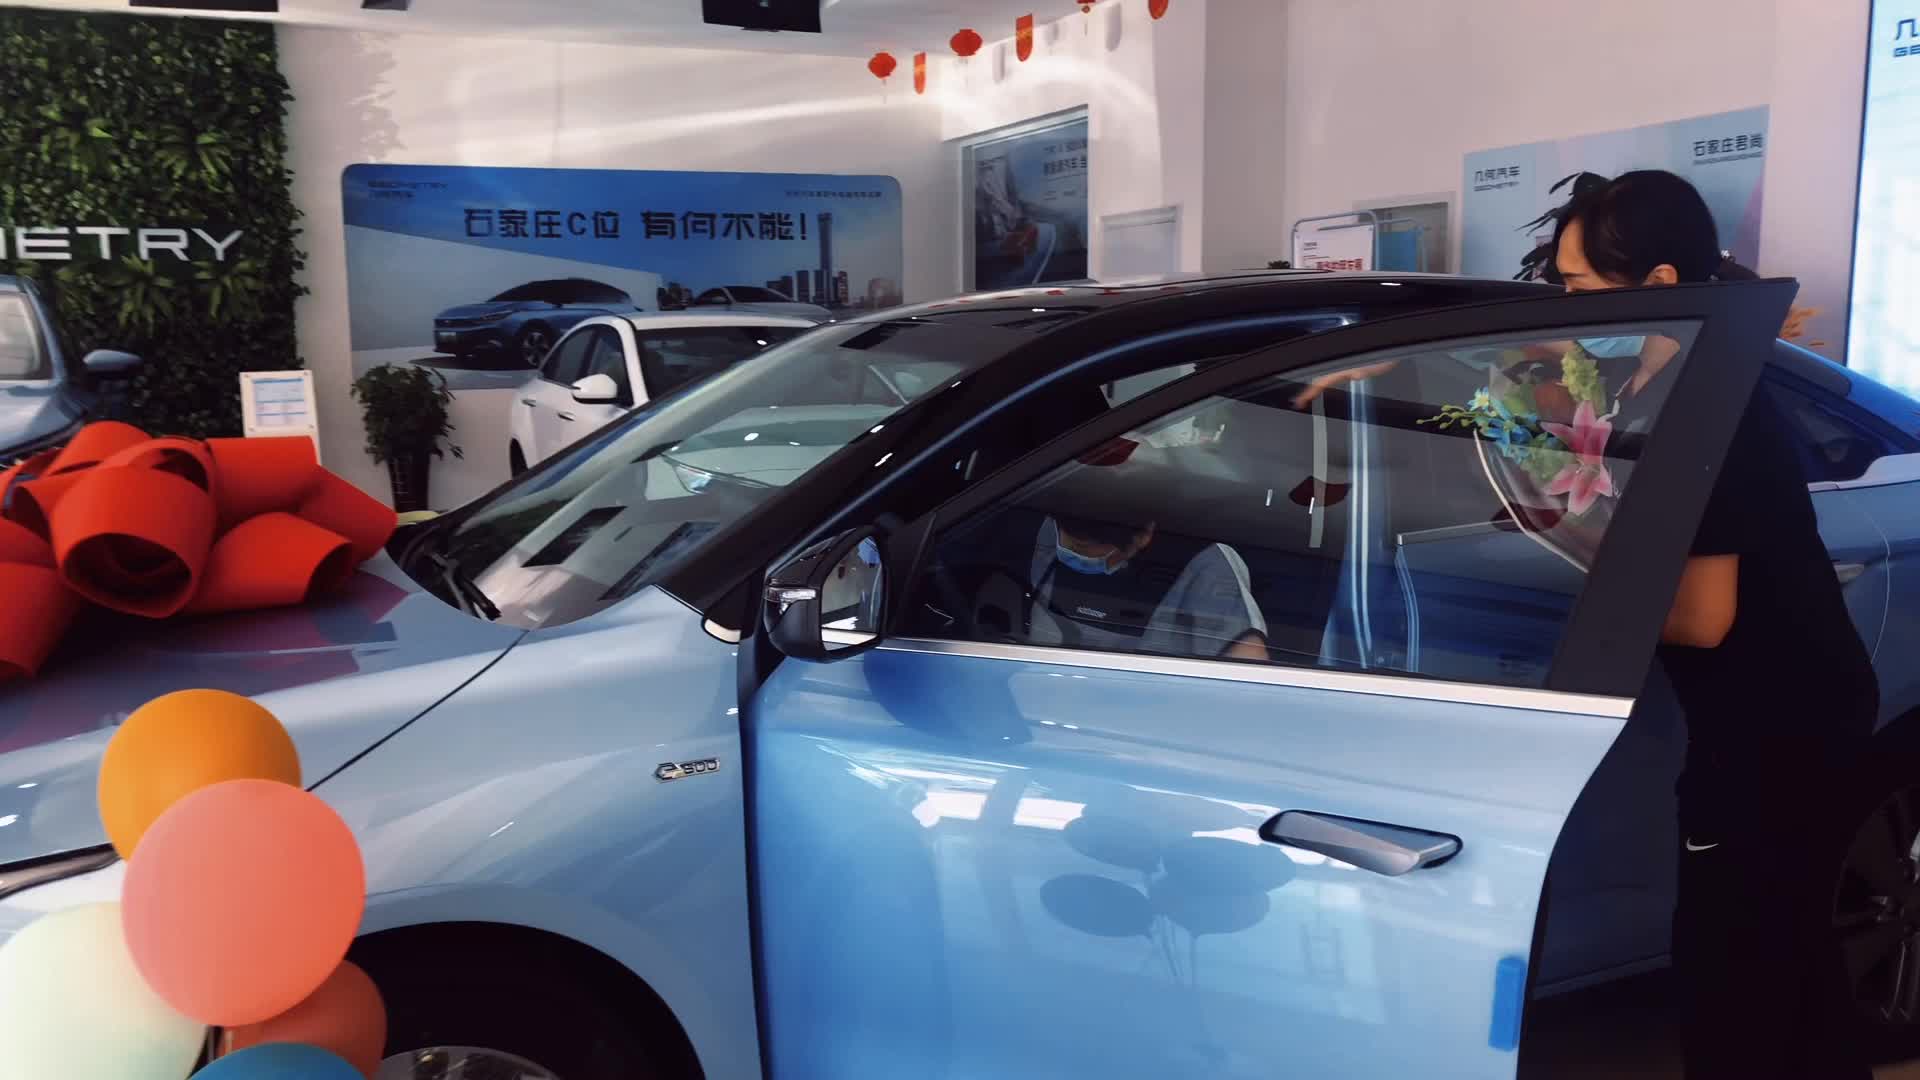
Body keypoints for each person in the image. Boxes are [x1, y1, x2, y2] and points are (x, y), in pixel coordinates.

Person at [1557, 171, 1875, 1078]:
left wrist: (1584, 595)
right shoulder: (1655, 380)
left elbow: (1702, 618)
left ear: (1659, 284)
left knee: (1734, 965)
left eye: (1579, 285)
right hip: (1790, 709)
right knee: (1790, 954)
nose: (1566, 306)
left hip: (1779, 729)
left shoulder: (1712, 406)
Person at [1024, 512, 1270, 663]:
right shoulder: (1042, 525)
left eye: (1084, 548)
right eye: (1068, 545)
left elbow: (1248, 665)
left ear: (1142, 538)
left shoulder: (1205, 563)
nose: (1073, 555)